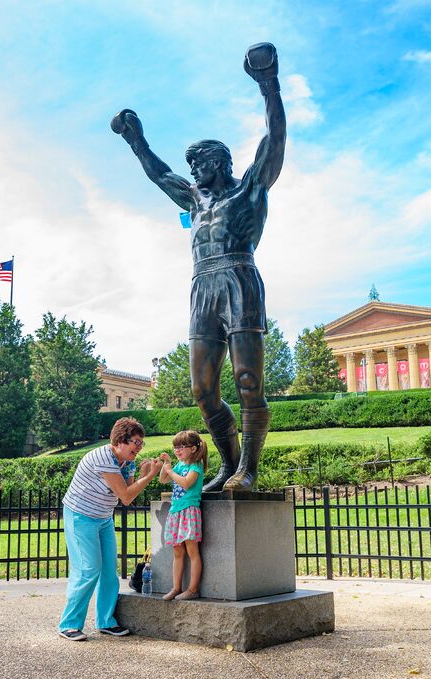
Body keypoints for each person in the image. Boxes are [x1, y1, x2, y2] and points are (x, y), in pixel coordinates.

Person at [111, 42, 286, 491]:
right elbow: (157, 172)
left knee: (248, 379)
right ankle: (228, 466)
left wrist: (268, 84)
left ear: (220, 162)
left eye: (199, 162)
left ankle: (249, 469)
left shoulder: (248, 189)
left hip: (239, 279)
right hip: (202, 287)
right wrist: (136, 140)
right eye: (190, 163)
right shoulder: (194, 198)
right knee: (202, 391)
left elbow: (275, 140)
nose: (192, 169)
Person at [58, 417, 163, 641]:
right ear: (119, 441)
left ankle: (105, 621)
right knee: (88, 569)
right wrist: (151, 476)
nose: (139, 447)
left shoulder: (128, 461)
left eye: (141, 443)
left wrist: (143, 475)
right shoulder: (103, 457)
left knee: (108, 571)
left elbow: (129, 492)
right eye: (135, 442)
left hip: (103, 517)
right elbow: (125, 497)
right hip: (80, 516)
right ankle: (68, 623)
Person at [157, 430, 208, 601]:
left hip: (189, 511)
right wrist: (167, 463)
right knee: (177, 550)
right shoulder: (179, 466)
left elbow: (186, 484)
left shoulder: (195, 466)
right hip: (176, 511)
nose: (177, 450)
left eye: (181, 447)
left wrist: (171, 471)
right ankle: (176, 588)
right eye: (175, 447)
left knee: (192, 551)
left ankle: (192, 589)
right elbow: (162, 480)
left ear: (193, 449)